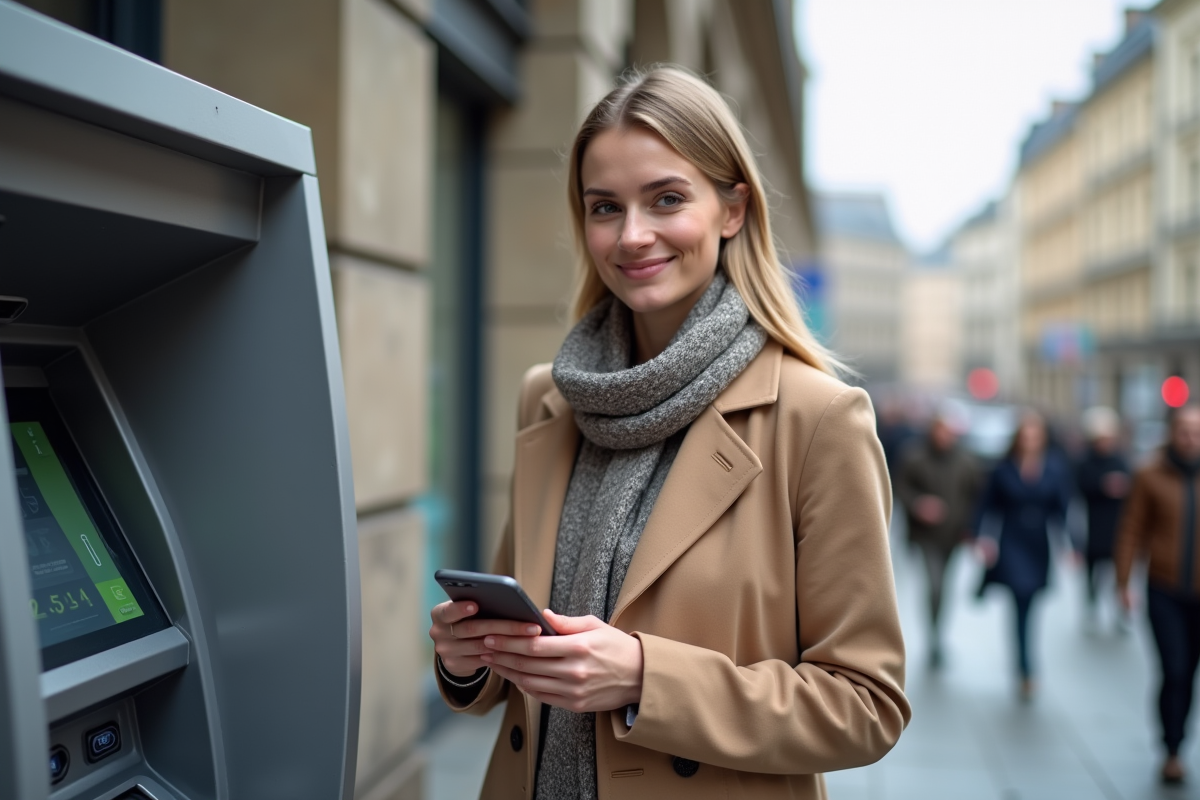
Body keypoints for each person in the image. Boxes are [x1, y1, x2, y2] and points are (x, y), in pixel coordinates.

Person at [427, 67, 910, 799]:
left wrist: (646, 678)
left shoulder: (819, 419)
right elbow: (515, 666)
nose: (632, 235)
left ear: (733, 208)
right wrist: (469, 657)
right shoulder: (550, 400)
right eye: (604, 207)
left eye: (667, 199)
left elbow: (865, 706)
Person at [1115, 403, 1200, 785]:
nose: (1190, 437)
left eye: (1197, 431)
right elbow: (1131, 528)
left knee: (1190, 673)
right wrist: (1123, 581)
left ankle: (1177, 740)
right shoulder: (1150, 474)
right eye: (1184, 429)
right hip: (1163, 588)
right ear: (1172, 432)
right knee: (1175, 668)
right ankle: (1171, 747)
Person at [975, 411, 1072, 701]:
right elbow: (986, 504)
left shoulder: (1054, 468)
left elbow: (1063, 509)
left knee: (1031, 603)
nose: (1030, 441)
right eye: (1026, 436)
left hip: (1038, 543)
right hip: (1012, 540)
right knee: (1020, 597)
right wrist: (981, 536)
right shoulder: (1003, 468)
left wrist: (1072, 545)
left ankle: (1026, 665)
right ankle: (1025, 668)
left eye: (1035, 436)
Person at [895, 414, 980, 668]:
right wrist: (918, 505)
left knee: (945, 588)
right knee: (934, 585)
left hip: (953, 536)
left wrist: (972, 529)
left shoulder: (966, 461)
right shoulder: (915, 457)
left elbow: (977, 496)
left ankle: (939, 634)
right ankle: (933, 637)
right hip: (925, 537)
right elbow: (899, 487)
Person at [1074, 406, 1130, 631]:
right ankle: (1091, 608)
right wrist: (1102, 486)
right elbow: (1080, 487)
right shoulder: (1086, 461)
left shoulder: (1120, 460)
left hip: (1118, 525)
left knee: (1119, 572)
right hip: (1094, 525)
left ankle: (1120, 612)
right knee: (1093, 573)